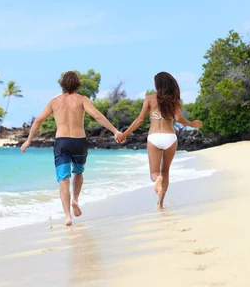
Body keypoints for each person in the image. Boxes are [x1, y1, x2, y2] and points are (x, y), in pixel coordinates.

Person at [21, 71, 123, 226]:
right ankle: (75, 199)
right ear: (78, 84)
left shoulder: (54, 102)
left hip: (62, 142)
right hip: (79, 142)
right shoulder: (82, 100)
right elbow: (97, 115)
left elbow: (39, 120)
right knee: (78, 172)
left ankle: (67, 216)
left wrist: (28, 140)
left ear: (62, 85)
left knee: (63, 179)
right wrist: (115, 131)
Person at [116, 71, 202, 210]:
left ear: (157, 85)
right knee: (166, 171)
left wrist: (125, 134)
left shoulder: (149, 99)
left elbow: (140, 120)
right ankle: (160, 203)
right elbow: (179, 118)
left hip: (154, 137)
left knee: (154, 173)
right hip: (170, 138)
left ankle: (157, 180)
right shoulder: (174, 100)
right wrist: (191, 124)